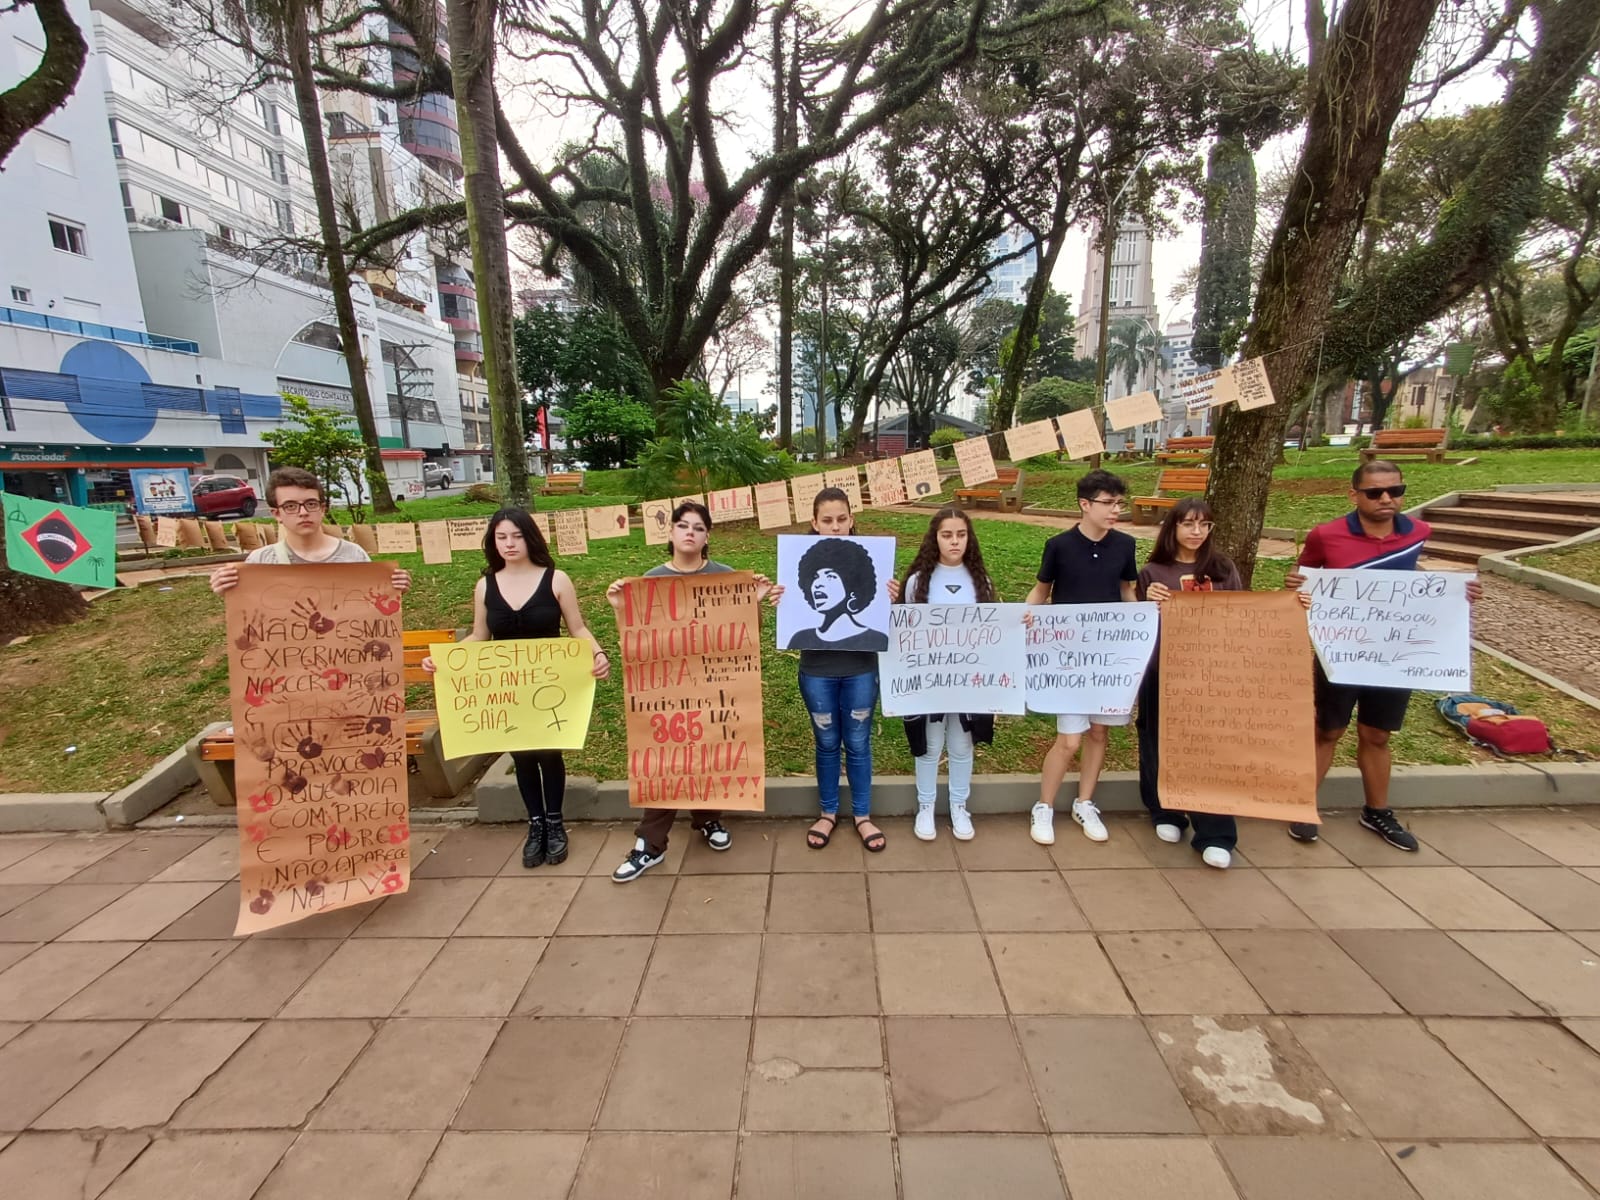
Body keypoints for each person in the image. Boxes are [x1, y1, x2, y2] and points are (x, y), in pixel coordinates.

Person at [1283, 460, 1481, 850]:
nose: (1387, 498)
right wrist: (1295, 583)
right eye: (1375, 492)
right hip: (1341, 650)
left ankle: (1377, 811)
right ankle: (1303, 807)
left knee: (1377, 734)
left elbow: (1410, 579)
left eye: (1396, 490)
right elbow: (1303, 576)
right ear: (1354, 495)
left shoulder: (1418, 532)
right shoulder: (1326, 535)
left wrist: (1458, 594)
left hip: (1395, 652)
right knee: (1327, 730)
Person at [605, 501, 782, 883]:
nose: (690, 532)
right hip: (668, 690)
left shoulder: (725, 577)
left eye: (698, 527)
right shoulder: (650, 581)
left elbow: (744, 634)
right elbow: (637, 643)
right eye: (683, 526)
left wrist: (753, 601)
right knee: (666, 761)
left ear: (707, 536)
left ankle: (707, 817)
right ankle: (650, 843)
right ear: (670, 533)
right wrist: (621, 607)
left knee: (711, 749)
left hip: (715, 686)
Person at [422, 508, 610, 868]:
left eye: (517, 535)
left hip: (549, 686)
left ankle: (555, 823)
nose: (509, 543)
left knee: (549, 754)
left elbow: (578, 628)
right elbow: (480, 635)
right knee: (522, 756)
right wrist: (444, 660)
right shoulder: (486, 585)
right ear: (493, 542)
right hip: (509, 689)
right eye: (501, 537)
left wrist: (598, 654)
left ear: (530, 537)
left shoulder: (556, 580)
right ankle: (535, 825)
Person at [1024, 469, 1139, 845]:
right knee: (1070, 740)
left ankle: (1085, 802)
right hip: (1068, 658)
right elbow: (1041, 591)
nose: (1115, 510)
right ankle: (1044, 805)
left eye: (1119, 503)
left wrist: (1141, 625)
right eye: (1108, 503)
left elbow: (1126, 591)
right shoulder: (1058, 546)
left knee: (1099, 732)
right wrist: (1025, 615)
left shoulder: (1125, 545)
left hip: (1109, 657)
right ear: (1085, 504)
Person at [1135, 498, 1241, 869]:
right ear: (1173, 527)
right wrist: (1146, 600)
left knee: (1211, 749)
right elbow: (1137, 625)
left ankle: (1215, 832)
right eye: (1189, 524)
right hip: (1162, 671)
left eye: (1204, 525)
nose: (1197, 532)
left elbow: (1243, 614)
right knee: (1157, 740)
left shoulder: (1223, 568)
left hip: (1211, 673)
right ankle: (1165, 811)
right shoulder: (1153, 572)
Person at [799, 487, 898, 853]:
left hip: (861, 669)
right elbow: (789, 612)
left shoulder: (872, 563)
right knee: (826, 742)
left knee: (857, 742)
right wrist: (779, 598)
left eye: (842, 519)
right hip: (816, 671)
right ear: (814, 523)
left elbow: (892, 619)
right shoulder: (800, 624)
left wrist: (893, 597)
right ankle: (827, 813)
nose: (835, 526)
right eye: (827, 520)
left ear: (852, 519)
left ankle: (861, 815)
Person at [897, 506, 1000, 842]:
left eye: (961, 534)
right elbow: (904, 632)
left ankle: (959, 805)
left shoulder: (981, 581)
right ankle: (925, 806)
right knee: (929, 745)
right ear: (935, 539)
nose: (955, 541)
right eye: (947, 535)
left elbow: (994, 633)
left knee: (961, 744)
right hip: (930, 683)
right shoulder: (917, 583)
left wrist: (1019, 622)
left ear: (969, 538)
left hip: (968, 683)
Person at [209, 466, 411, 595]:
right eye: (290, 506)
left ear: (322, 509)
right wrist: (227, 588)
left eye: (311, 504)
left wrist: (394, 588)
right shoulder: (260, 562)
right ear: (277, 513)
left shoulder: (353, 555)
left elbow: (372, 605)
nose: (303, 512)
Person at [788, 538, 890, 651]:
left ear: (852, 585)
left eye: (830, 576)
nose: (818, 584)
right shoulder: (801, 639)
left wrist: (893, 599)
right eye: (816, 577)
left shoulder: (876, 640)